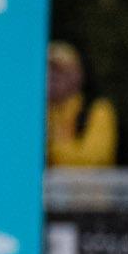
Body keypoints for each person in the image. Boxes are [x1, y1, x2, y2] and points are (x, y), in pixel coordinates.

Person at [48, 40, 119, 168]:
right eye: (48, 70)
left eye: (61, 70)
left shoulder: (98, 109)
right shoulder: (40, 112)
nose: (53, 77)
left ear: (78, 74)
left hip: (88, 188)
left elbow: (94, 159)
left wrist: (51, 148)